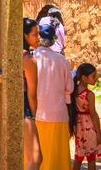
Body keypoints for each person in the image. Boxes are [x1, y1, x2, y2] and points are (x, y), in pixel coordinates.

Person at [0, 18, 42, 169]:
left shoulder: (4, 53)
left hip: (5, 105)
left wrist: (0, 89)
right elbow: (32, 94)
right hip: (24, 107)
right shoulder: (28, 60)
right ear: (25, 36)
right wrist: (34, 116)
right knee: (35, 157)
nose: (38, 37)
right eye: (35, 34)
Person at [34, 23, 73, 170]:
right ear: (52, 40)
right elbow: (69, 88)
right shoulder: (62, 60)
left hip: (37, 112)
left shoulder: (31, 58)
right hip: (58, 113)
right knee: (58, 152)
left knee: (39, 151)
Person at [71, 63, 101, 170]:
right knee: (91, 158)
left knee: (78, 157)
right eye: (93, 76)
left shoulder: (73, 91)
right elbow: (93, 115)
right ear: (84, 78)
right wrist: (99, 133)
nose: (96, 78)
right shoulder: (89, 95)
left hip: (78, 128)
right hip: (90, 128)